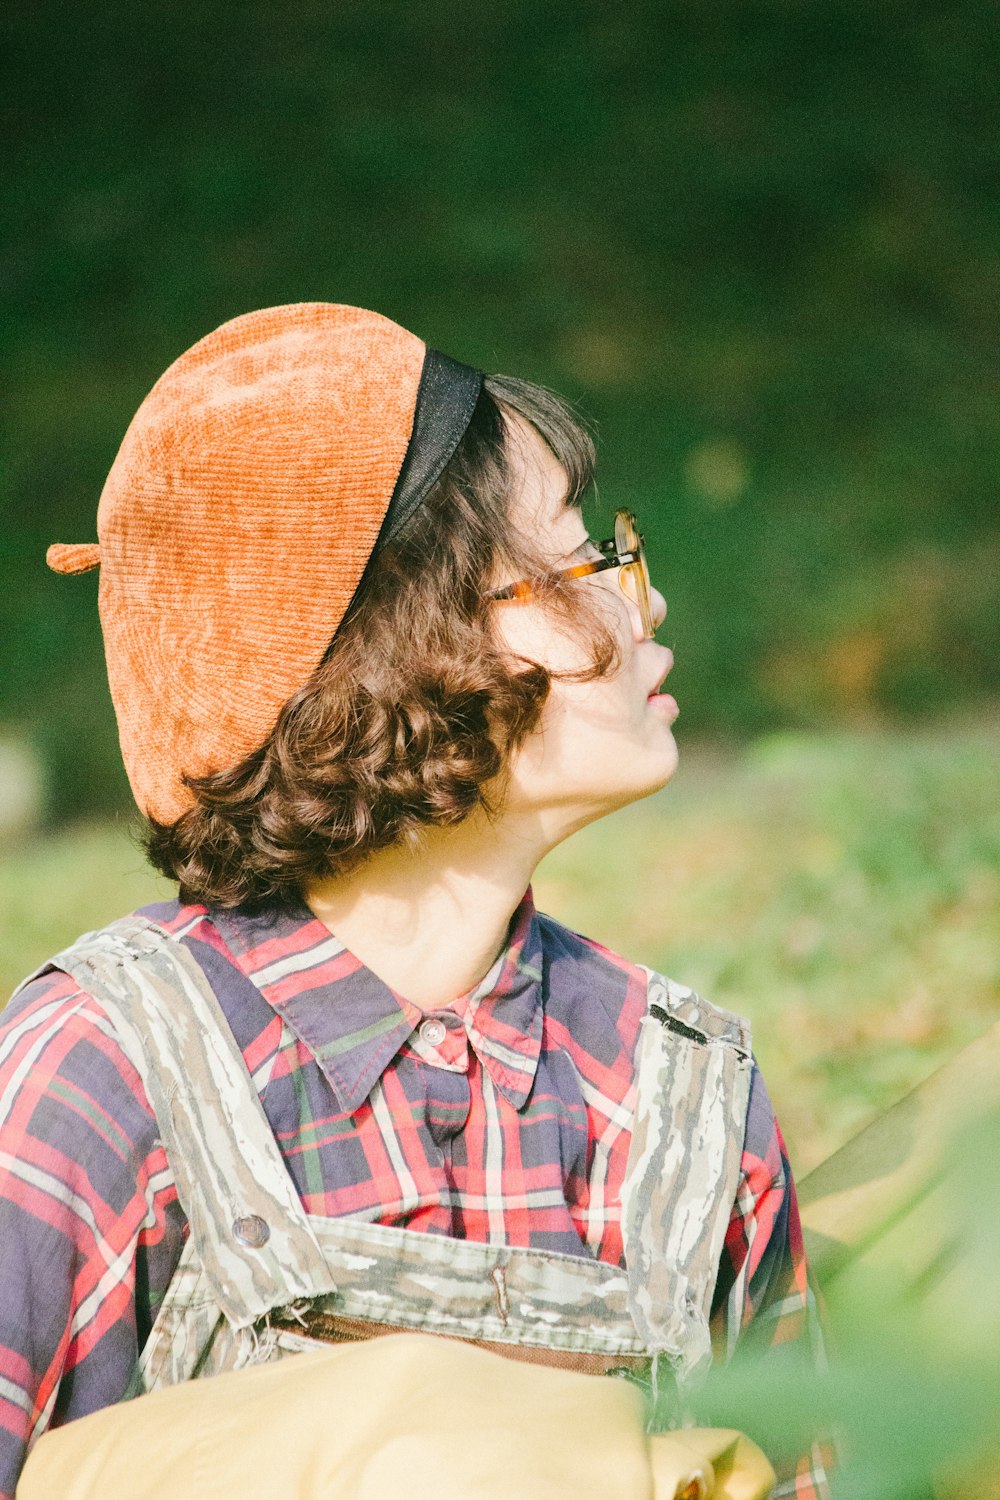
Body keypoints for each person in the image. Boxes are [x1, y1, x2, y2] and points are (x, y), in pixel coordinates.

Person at [0, 303, 830, 1498]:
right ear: (403, 635)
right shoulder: (99, 1077)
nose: (641, 602)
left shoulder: (690, 1096)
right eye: (583, 557)